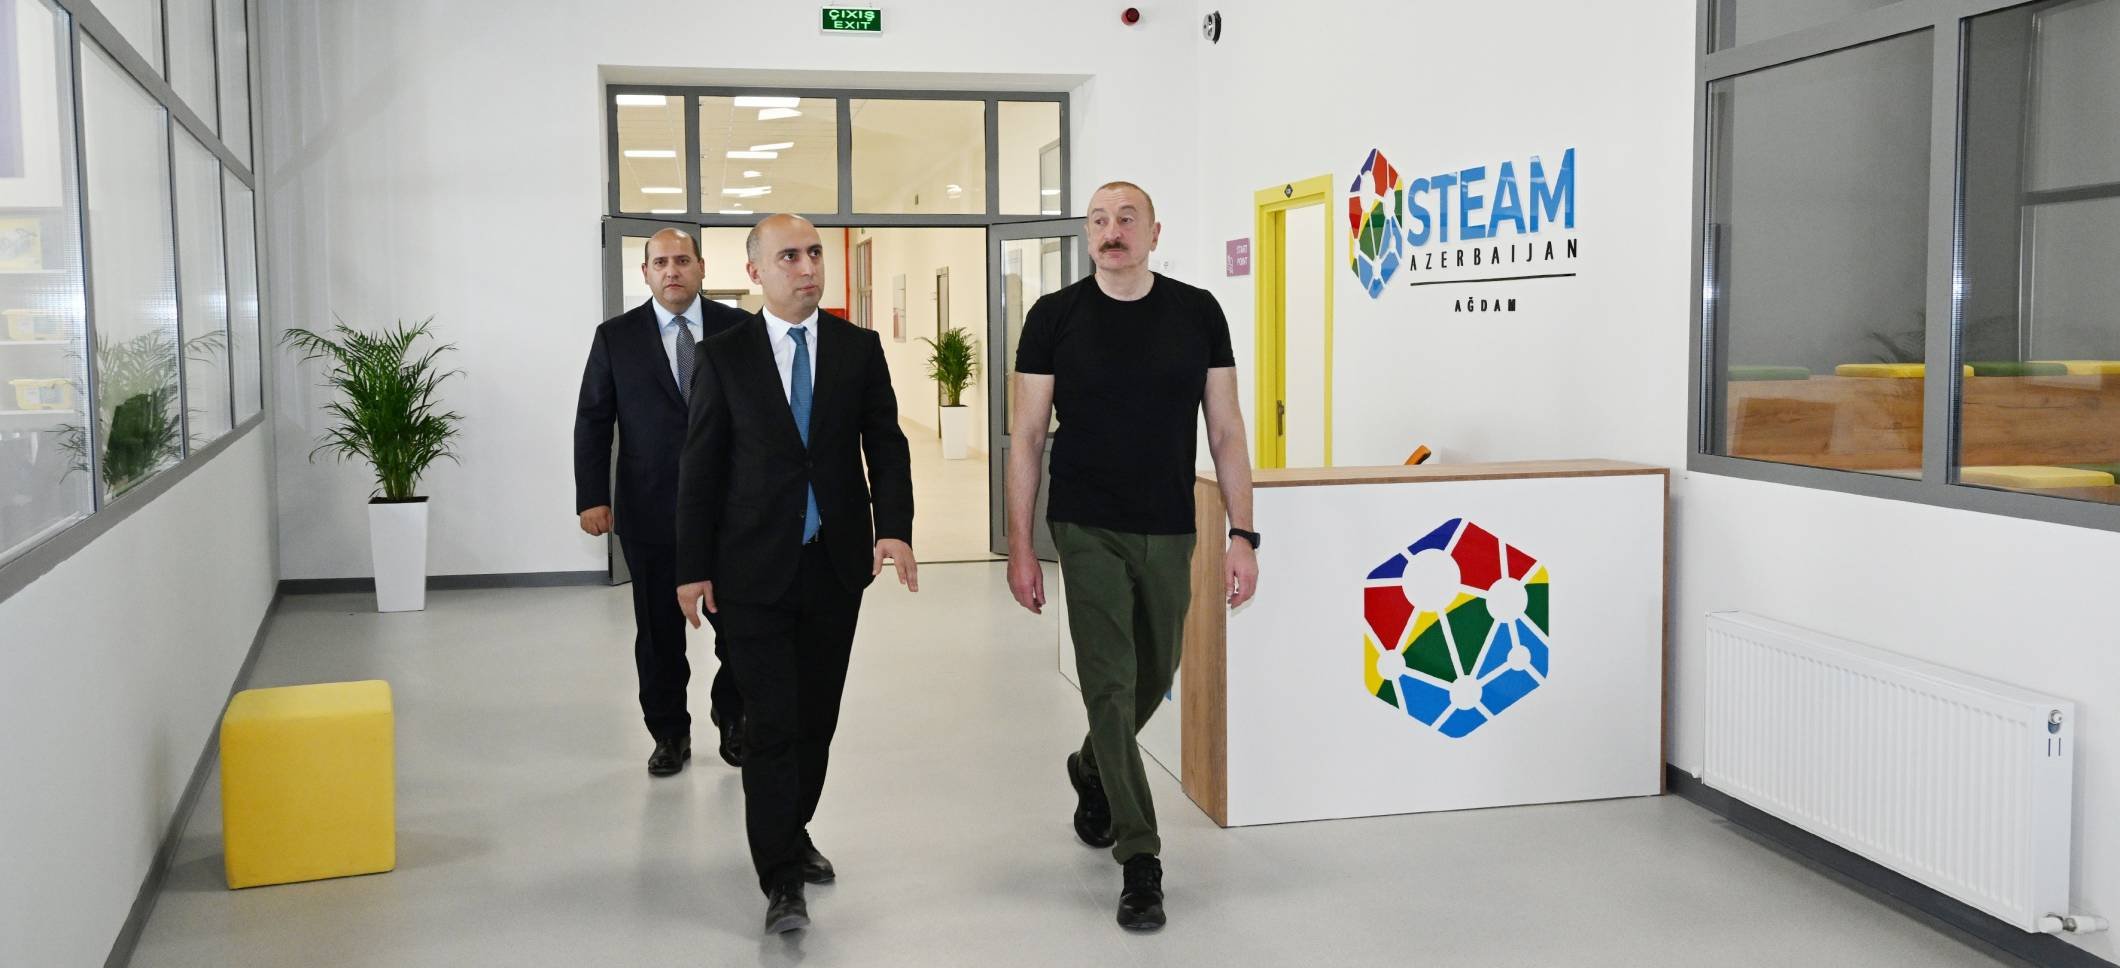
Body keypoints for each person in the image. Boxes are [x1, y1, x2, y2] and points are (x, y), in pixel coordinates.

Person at [1006, 181, 1259, 931]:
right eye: (1099, 220)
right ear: (1087, 234)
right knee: (1110, 684)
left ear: (1154, 232)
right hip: (1084, 521)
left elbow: (1227, 431)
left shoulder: (1198, 313)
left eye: (1126, 219)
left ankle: (1090, 767)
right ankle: (1140, 856)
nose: (1111, 231)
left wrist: (1242, 533)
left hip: (1169, 522)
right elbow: (1027, 436)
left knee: (1155, 670)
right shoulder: (1053, 317)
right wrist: (1021, 546)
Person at [674, 213, 917, 935]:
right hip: (750, 568)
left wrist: (894, 528)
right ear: (755, 272)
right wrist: (691, 567)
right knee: (772, 721)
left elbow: (886, 444)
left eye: (814, 253)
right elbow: (700, 466)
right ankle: (779, 874)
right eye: (789, 256)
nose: (808, 266)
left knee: (817, 718)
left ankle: (793, 826)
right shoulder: (724, 356)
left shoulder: (857, 348)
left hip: (835, 564)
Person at [574, 227, 750, 776]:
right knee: (658, 636)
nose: (672, 270)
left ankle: (734, 717)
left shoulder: (739, 329)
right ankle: (669, 733)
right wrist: (591, 497)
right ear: (645, 273)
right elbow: (593, 419)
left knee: (741, 629)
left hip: (730, 514)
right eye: (660, 263)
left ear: (702, 267)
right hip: (650, 510)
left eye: (682, 260)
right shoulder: (616, 337)